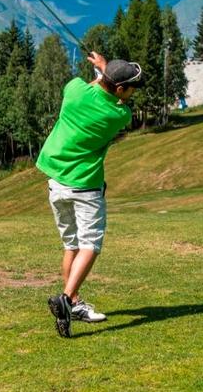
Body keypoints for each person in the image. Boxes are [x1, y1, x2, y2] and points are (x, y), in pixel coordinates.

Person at [36, 52, 143, 338]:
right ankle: (65, 298)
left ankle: (73, 302)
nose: (134, 92)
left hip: (56, 182)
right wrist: (105, 69)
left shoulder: (73, 91)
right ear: (120, 89)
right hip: (85, 185)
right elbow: (109, 94)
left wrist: (102, 70)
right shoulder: (119, 114)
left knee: (71, 245)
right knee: (90, 245)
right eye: (133, 87)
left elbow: (90, 86)